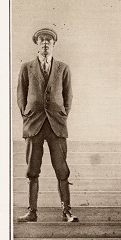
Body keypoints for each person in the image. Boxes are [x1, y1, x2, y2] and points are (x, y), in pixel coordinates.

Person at [16, 26, 77, 223]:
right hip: (34, 124)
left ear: (53, 44)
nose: (45, 43)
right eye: (41, 40)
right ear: (37, 43)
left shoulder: (63, 68)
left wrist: (62, 114)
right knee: (32, 169)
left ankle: (66, 211)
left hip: (56, 125)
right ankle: (32, 211)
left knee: (62, 169)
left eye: (48, 41)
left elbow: (68, 96)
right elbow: (21, 96)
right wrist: (27, 116)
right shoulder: (27, 67)